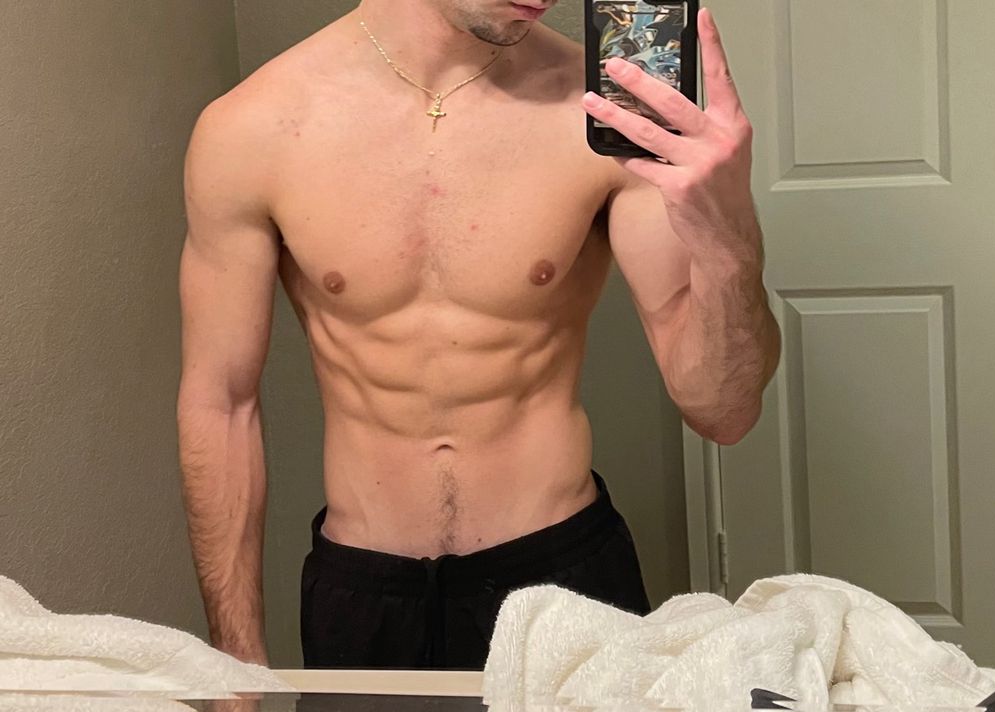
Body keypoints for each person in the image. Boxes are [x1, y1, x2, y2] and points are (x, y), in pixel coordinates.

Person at [177, 0, 781, 671]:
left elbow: (723, 411)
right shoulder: (250, 129)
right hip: (364, 597)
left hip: (564, 582)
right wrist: (232, 672)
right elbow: (221, 406)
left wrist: (730, 239)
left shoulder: (609, 111)